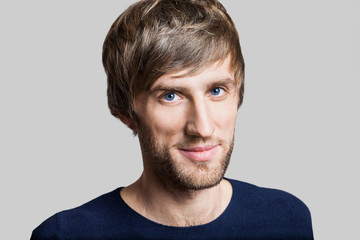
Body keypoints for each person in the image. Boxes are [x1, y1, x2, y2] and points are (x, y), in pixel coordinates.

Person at [31, 0, 314, 239]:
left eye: (217, 91)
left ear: (238, 94)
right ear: (127, 112)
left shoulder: (287, 219)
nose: (202, 127)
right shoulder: (67, 234)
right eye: (170, 96)